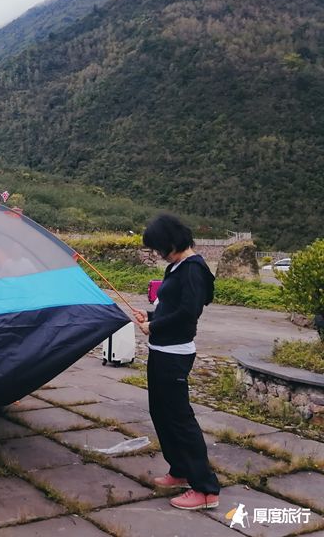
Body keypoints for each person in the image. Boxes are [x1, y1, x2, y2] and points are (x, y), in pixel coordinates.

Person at [132, 214, 220, 511]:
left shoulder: (194, 269)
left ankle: (206, 489)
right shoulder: (176, 266)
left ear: (171, 241)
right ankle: (180, 470)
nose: (158, 254)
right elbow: (170, 307)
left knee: (181, 419)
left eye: (158, 247)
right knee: (161, 411)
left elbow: (187, 313)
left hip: (175, 353)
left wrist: (154, 327)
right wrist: (151, 316)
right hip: (161, 350)